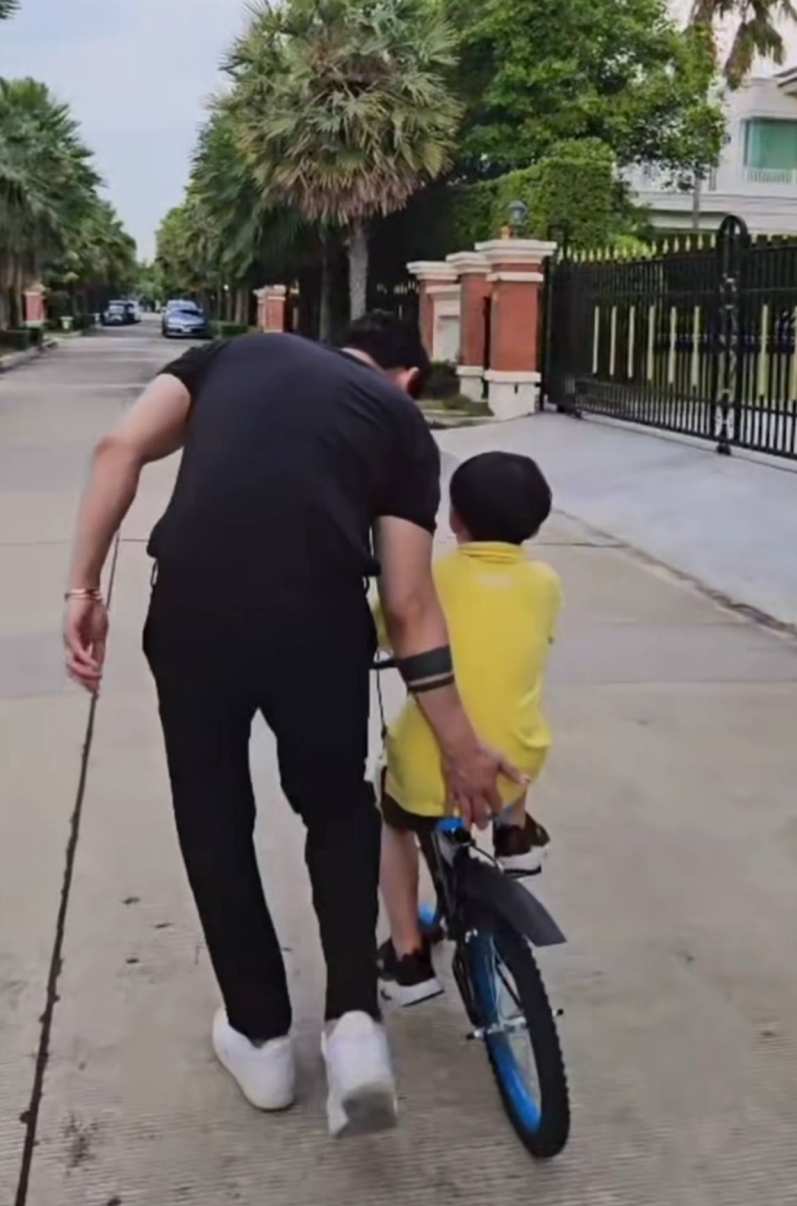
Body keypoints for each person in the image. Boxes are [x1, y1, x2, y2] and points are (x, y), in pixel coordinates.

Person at [63, 315, 522, 1139]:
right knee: (336, 808)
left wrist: (83, 590)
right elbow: (409, 604)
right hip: (318, 619)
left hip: (194, 608)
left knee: (212, 813)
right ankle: (354, 1024)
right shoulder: (401, 423)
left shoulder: (230, 354)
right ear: (406, 377)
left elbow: (117, 450)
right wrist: (461, 746)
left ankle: (261, 1039)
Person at [375, 451, 563, 1006]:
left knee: (391, 817)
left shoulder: (428, 579)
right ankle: (513, 835)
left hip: (431, 768)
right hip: (514, 764)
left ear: (454, 519)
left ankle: (408, 954)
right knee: (511, 716)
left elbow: (387, 626)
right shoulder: (546, 583)